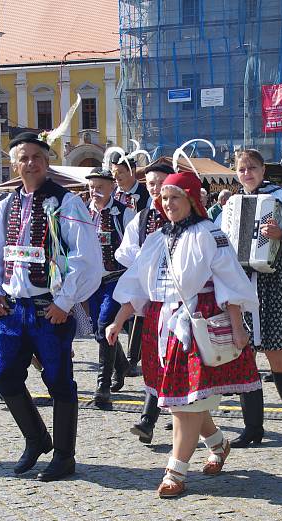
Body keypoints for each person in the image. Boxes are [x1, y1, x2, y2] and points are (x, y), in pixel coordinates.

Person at [107, 171, 261, 498]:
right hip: (161, 323)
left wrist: (237, 327)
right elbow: (138, 283)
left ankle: (174, 473)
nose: (168, 204)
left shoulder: (209, 232)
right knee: (184, 399)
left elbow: (229, 281)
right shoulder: (157, 237)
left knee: (185, 405)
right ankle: (219, 444)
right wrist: (119, 321)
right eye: (164, 198)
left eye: (175, 197)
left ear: (192, 199)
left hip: (197, 322)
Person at [0, 131, 102, 481]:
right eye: (23, 157)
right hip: (14, 308)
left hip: (49, 309)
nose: (30, 163)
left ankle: (64, 456)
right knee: (3, 375)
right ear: (14, 163)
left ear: (46, 163)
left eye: (36, 157)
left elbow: (85, 257)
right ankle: (36, 438)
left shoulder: (66, 202)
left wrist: (64, 302)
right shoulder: (6, 205)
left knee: (59, 381)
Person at [225, 149, 282, 445]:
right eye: (241, 169)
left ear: (263, 170)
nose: (247, 173)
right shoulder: (231, 203)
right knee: (243, 350)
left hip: (276, 277)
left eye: (252, 167)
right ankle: (253, 427)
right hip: (243, 278)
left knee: (275, 349)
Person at [115, 163, 169, 443]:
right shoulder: (142, 218)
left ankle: (189, 415)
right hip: (151, 300)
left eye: (161, 182)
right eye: (151, 184)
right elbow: (124, 252)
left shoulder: (189, 215)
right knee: (153, 361)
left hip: (183, 304)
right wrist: (146, 262)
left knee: (175, 363)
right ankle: (148, 420)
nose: (156, 188)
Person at [85, 167, 135, 405]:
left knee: (106, 323)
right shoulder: (83, 212)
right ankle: (122, 365)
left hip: (115, 278)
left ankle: (102, 387)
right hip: (91, 281)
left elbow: (134, 245)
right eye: (92, 187)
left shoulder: (122, 213)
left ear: (112, 188)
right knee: (99, 331)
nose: (95, 191)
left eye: (100, 187)